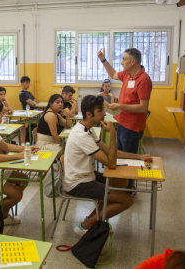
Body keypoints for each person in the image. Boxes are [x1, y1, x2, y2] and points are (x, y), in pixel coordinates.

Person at [64, 95, 152, 236]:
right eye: (100, 111)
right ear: (88, 114)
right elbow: (111, 162)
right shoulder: (81, 135)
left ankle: (92, 219)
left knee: (119, 182)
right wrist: (112, 133)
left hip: (87, 175)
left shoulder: (88, 129)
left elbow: (110, 152)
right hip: (78, 183)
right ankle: (85, 225)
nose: (105, 114)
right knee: (127, 200)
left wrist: (139, 157)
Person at [98, 47, 152, 190]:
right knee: (120, 157)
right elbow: (114, 74)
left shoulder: (144, 80)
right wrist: (103, 60)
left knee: (130, 160)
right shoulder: (127, 75)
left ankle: (128, 190)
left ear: (133, 61)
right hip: (122, 123)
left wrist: (120, 106)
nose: (121, 63)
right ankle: (120, 187)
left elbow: (143, 107)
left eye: (124, 59)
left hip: (132, 127)